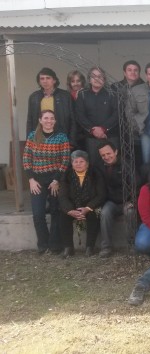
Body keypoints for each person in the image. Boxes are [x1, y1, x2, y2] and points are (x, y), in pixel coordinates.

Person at [23, 110, 71, 255]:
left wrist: (57, 179)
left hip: (55, 178)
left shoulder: (62, 137)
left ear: (55, 121)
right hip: (37, 179)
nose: (49, 121)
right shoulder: (33, 136)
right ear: (40, 120)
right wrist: (31, 180)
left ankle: (55, 245)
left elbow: (65, 160)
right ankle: (43, 245)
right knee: (38, 213)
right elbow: (26, 159)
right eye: (46, 118)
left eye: (51, 118)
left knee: (56, 211)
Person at [58, 150, 106, 258]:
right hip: (73, 205)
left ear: (87, 163)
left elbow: (101, 195)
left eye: (81, 161)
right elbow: (62, 196)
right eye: (75, 162)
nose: (78, 164)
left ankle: (90, 247)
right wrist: (70, 210)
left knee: (94, 214)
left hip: (91, 204)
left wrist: (88, 208)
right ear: (72, 163)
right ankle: (68, 248)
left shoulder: (95, 173)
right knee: (63, 214)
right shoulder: (67, 174)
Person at [95, 141, 137, 258]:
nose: (106, 157)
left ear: (116, 152)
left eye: (109, 153)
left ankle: (132, 245)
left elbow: (136, 185)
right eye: (103, 155)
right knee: (104, 213)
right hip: (111, 201)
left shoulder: (127, 164)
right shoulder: (99, 166)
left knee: (130, 212)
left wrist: (132, 201)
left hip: (127, 201)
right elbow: (100, 188)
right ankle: (106, 247)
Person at [75, 66, 119, 164]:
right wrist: (93, 129)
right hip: (91, 137)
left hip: (110, 136)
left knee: (112, 164)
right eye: (93, 76)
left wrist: (103, 128)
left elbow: (117, 114)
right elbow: (79, 115)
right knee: (94, 166)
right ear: (89, 80)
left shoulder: (112, 94)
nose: (97, 79)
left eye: (100, 76)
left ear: (104, 79)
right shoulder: (82, 94)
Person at [27, 67, 75, 148]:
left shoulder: (65, 96)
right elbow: (30, 121)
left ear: (54, 80)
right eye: (42, 79)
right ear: (39, 81)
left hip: (61, 137)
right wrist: (29, 141)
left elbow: (73, 120)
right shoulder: (34, 97)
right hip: (40, 138)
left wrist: (72, 141)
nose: (45, 81)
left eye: (48, 78)